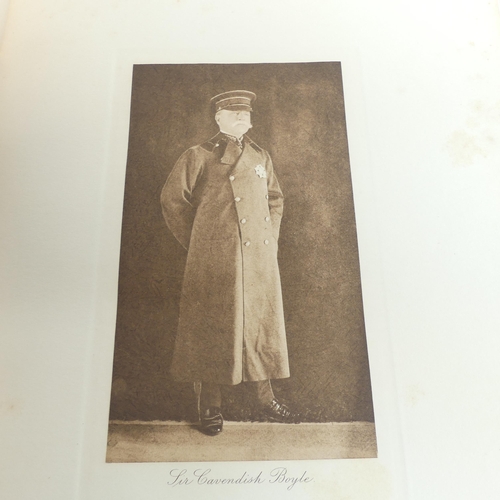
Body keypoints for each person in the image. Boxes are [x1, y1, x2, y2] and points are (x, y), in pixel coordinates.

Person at [161, 90, 298, 435]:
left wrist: (270, 238)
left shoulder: (260, 156)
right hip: (217, 258)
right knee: (213, 327)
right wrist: (201, 243)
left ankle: (265, 398)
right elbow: (172, 200)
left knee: (259, 325)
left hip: (258, 257)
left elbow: (275, 199)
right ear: (218, 118)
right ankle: (209, 406)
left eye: (245, 114)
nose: (241, 118)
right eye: (233, 113)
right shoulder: (198, 155)